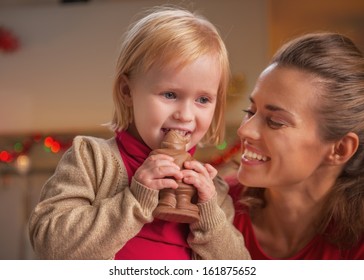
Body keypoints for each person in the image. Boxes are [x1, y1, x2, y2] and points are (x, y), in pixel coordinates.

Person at [28, 6, 250, 260]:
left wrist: (209, 215)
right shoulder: (92, 159)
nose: (186, 115)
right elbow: (51, 247)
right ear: (127, 91)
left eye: (203, 99)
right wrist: (135, 199)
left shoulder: (212, 190)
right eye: (170, 94)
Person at [228, 32, 364, 259]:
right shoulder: (214, 205)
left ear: (340, 148)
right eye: (250, 112)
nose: (244, 130)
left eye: (275, 122)